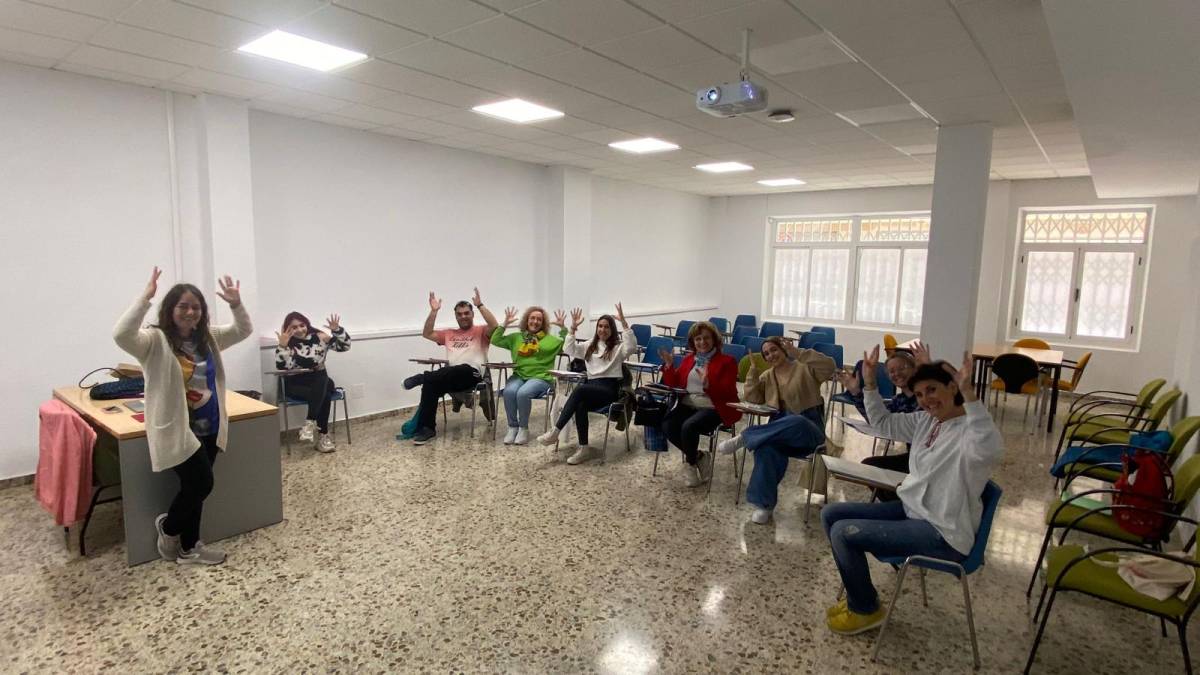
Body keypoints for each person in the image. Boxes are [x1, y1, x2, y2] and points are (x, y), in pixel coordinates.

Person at [821, 346, 1002, 635]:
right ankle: (862, 597)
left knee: (844, 532)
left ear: (953, 387)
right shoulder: (927, 421)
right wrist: (869, 383)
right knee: (831, 514)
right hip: (914, 511)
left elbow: (990, 448)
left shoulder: (970, 431)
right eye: (919, 395)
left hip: (943, 532)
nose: (926, 400)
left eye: (932, 390)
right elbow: (882, 423)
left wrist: (971, 396)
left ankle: (865, 609)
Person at [113, 267, 253, 566]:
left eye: (196, 307)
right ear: (170, 309)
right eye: (183, 306)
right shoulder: (154, 341)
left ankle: (189, 549)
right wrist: (145, 298)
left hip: (210, 426)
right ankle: (170, 528)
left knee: (195, 489)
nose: (190, 312)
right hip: (178, 430)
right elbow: (121, 335)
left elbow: (243, 331)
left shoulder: (209, 338)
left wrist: (236, 304)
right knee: (201, 484)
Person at [716, 336, 836, 522]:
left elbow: (829, 367)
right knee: (766, 448)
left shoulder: (804, 368)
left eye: (774, 350)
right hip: (780, 431)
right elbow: (754, 399)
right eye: (766, 354)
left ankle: (745, 437)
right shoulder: (767, 376)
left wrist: (799, 353)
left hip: (809, 430)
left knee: (796, 421)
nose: (771, 355)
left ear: (783, 350)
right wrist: (753, 375)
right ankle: (764, 505)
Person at [537, 304, 637, 465]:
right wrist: (572, 329)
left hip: (609, 389)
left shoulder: (618, 347)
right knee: (580, 403)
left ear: (612, 330)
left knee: (581, 390)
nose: (602, 330)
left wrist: (624, 324)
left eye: (606, 327)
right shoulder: (590, 345)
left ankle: (556, 431)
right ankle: (584, 448)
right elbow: (569, 349)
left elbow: (632, 347)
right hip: (592, 389)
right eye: (600, 326)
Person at [404, 288, 499, 445]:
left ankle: (421, 377)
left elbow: (495, 325)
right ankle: (428, 429)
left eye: (466, 313)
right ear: (456, 316)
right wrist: (434, 311)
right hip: (450, 377)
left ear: (472, 314)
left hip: (472, 376)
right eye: (460, 314)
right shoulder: (449, 333)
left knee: (461, 368)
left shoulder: (481, 331)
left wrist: (480, 304)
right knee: (431, 384)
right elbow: (427, 333)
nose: (463, 316)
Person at [835, 341, 931, 495]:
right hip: (914, 456)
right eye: (892, 371)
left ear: (915, 369)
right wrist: (856, 392)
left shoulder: (926, 397)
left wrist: (928, 372)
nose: (897, 373)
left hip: (929, 459)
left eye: (902, 368)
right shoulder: (898, 400)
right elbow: (876, 419)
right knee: (869, 467)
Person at [658, 321, 742, 487]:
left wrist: (708, 384)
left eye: (706, 338)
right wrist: (669, 366)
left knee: (689, 426)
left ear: (715, 340)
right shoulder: (690, 359)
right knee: (667, 424)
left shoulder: (728, 361)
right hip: (688, 404)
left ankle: (689, 464)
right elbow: (674, 383)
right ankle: (699, 457)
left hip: (714, 407)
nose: (702, 342)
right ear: (693, 342)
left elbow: (728, 391)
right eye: (698, 339)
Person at [274, 311, 351, 453]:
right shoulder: (287, 342)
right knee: (325, 393)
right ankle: (323, 437)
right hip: (296, 383)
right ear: (288, 329)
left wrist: (337, 331)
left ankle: (310, 423)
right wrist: (282, 347)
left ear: (307, 324)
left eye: (302, 325)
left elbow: (344, 347)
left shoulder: (319, 337)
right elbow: (282, 367)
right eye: (294, 327)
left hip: (318, 380)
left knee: (322, 381)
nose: (299, 330)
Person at [491, 306, 567, 445]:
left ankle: (523, 428)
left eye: (539, 319)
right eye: (532, 318)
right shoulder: (516, 337)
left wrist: (563, 328)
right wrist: (504, 324)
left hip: (541, 377)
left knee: (522, 393)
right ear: (527, 320)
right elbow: (495, 340)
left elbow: (567, 345)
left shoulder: (551, 340)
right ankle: (513, 427)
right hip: (519, 375)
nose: (535, 321)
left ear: (543, 323)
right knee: (508, 391)